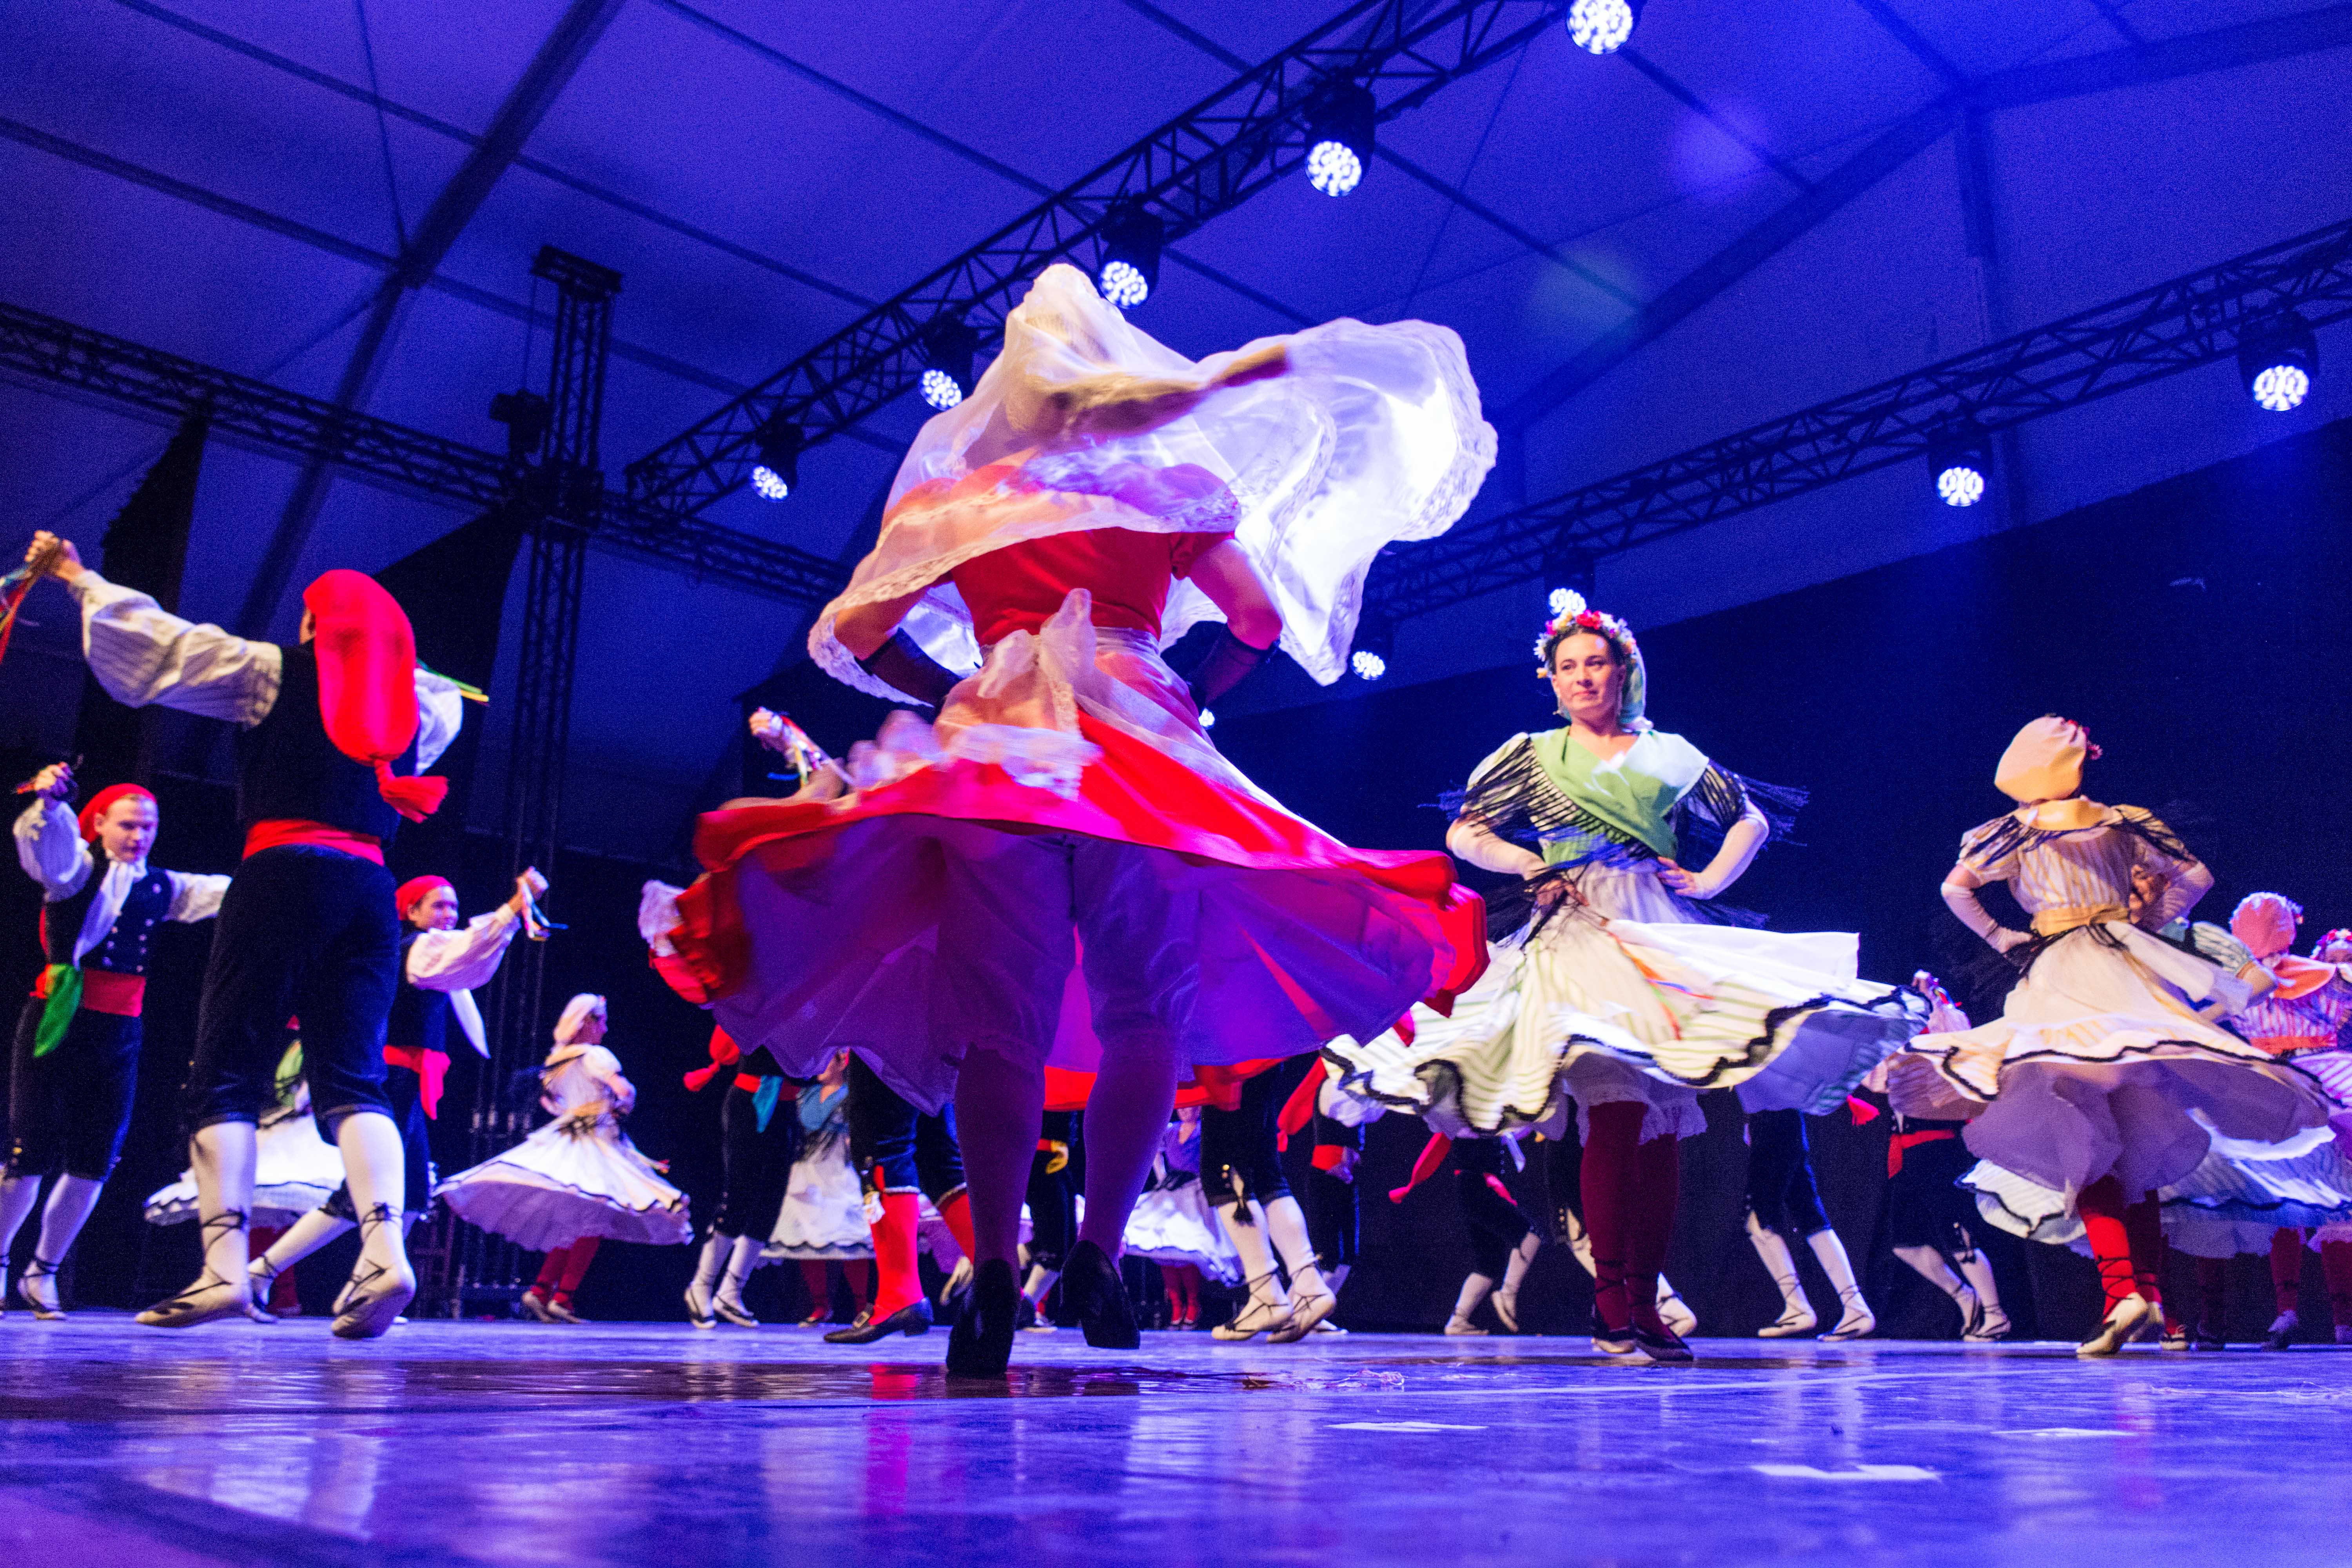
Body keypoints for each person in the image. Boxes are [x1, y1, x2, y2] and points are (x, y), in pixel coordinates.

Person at [647, 263, 1494, 1377]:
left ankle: (994, 1271)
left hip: (1002, 749)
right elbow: (1253, 617)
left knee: (1004, 1025)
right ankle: (1095, 1256)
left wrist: (943, 687)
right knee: (1147, 1012)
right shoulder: (1168, 486)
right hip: (1141, 747)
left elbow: (853, 631)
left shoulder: (968, 494)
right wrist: (1200, 693)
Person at [1325, 594, 1923, 1361]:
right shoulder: (1533, 753)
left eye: (1595, 662)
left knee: (1660, 1128)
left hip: (1658, 929)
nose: (1581, 676)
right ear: (1552, 678)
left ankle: (1644, 1299)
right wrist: (1527, 860)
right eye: (1567, 666)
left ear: (1623, 669)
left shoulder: (1666, 750)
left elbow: (1750, 819)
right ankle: (1614, 1304)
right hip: (1576, 933)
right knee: (1613, 1110)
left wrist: (1705, 881)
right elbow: (1466, 828)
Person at [26, 531, 463, 1337]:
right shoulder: (417, 703)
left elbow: (155, 648)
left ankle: (224, 1268)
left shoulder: (272, 671)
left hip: (286, 867)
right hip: (371, 887)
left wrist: (79, 576)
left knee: (225, 1071)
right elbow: (424, 703)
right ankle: (384, 1247)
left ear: (314, 626)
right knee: (354, 1080)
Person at [1893, 717, 2332, 1356]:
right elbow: (2197, 878)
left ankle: (2125, 1291)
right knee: (2136, 1141)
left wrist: (2002, 936)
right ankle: (2145, 1295)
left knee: (2085, 1135)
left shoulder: (2015, 830)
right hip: (2125, 972)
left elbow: (1954, 888)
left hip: (2060, 973)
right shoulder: (2122, 821)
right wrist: (2141, 918)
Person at [245, 868, 544, 1312]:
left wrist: (511, 917)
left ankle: (361, 1287)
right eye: (439, 906)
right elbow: (467, 952)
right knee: (361, 1193)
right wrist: (510, 911)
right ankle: (263, 1272)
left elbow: (469, 966)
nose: (449, 914)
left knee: (412, 1196)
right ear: (411, 911)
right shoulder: (418, 948)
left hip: (410, 1084)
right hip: (391, 1081)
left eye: (454, 907)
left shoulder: (431, 950)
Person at [0, 767, 228, 1318]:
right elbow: (45, 847)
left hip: (121, 1029)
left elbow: (227, 892)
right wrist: (50, 806)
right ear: (99, 824)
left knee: (95, 1160)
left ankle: (44, 1271)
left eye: (148, 826)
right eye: (128, 825)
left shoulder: (162, 886)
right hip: (59, 1018)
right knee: (28, 1154)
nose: (139, 836)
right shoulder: (75, 871)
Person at [437, 994, 692, 1321]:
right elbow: (625, 1092)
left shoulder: (557, 1061)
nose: (606, 1027)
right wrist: (619, 1106)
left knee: (579, 1222)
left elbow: (553, 1104)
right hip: (594, 1142)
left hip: (567, 1134)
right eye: (602, 1021)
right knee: (595, 1216)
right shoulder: (596, 1055)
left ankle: (542, 1291)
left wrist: (577, 1111)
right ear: (587, 1022)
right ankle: (562, 1297)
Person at [1852, 975, 2011, 1342]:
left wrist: (1933, 997)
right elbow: (1876, 1082)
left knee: (1956, 1230)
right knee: (1904, 1242)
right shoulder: (1903, 1043)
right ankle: (1966, 1298)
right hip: (1906, 1150)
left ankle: (1995, 1314)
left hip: (1937, 1145)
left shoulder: (1944, 1032)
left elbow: (1957, 1033)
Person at [145, 1039, 343, 1319]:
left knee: (279, 1212)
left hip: (294, 1123)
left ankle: (270, 1292)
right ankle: (251, 1289)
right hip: (266, 1119)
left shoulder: (303, 1039)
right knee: (256, 1207)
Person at [679, 1024, 800, 1330]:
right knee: (739, 1195)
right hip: (749, 1101)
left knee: (770, 1202)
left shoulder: (812, 1008)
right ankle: (702, 1287)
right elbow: (723, 1051)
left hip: (785, 1106)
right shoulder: (759, 1001)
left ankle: (731, 1291)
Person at [764, 1052, 873, 1325]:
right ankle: (821, 1306)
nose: (820, 1066)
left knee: (849, 1238)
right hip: (807, 1174)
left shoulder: (852, 1096)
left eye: (827, 1060)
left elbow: (860, 1133)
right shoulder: (806, 1095)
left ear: (842, 1063)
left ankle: (863, 1305)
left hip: (840, 1172)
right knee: (807, 1235)